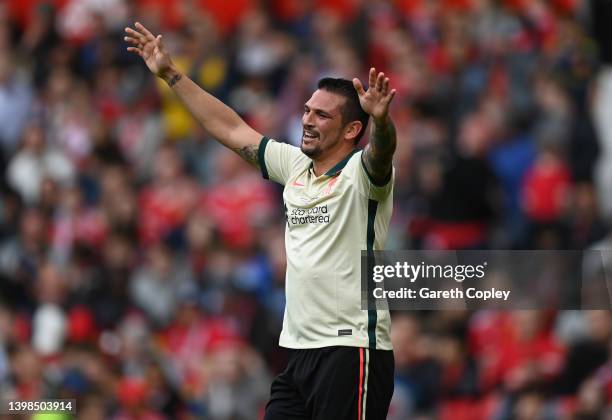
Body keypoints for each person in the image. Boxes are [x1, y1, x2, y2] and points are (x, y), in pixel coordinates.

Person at [125, 21, 398, 419]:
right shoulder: (295, 166)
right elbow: (232, 129)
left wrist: (384, 123)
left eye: (322, 116)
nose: (307, 120)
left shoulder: (362, 175)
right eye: (306, 110)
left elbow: (382, 151)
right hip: (299, 351)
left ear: (352, 129)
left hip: (353, 350)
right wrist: (172, 75)